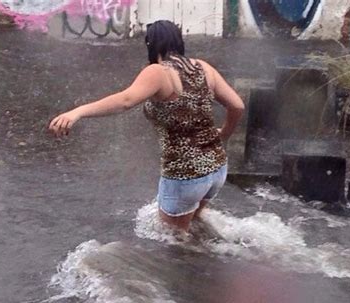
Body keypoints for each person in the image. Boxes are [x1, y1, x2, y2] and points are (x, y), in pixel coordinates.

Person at [49, 20, 244, 232]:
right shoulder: (204, 68)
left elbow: (125, 101)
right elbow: (237, 106)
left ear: (150, 44)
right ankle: (211, 262)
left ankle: (194, 265)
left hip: (185, 175)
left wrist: (77, 112)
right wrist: (224, 134)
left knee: (174, 243)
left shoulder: (158, 72)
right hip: (216, 169)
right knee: (194, 229)